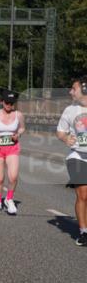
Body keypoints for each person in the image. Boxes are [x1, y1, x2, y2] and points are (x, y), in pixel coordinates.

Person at [57, 76, 87, 246]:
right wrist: (66, 139)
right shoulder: (70, 110)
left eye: (73, 88)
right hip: (77, 157)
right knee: (83, 194)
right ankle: (84, 232)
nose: (70, 92)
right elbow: (60, 131)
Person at [0, 93, 25, 214]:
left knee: (13, 177)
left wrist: (18, 134)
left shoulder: (18, 115)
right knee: (0, 178)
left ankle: (9, 199)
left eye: (11, 103)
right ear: (2, 102)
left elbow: (22, 128)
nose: (9, 105)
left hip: (12, 147)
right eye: (7, 102)